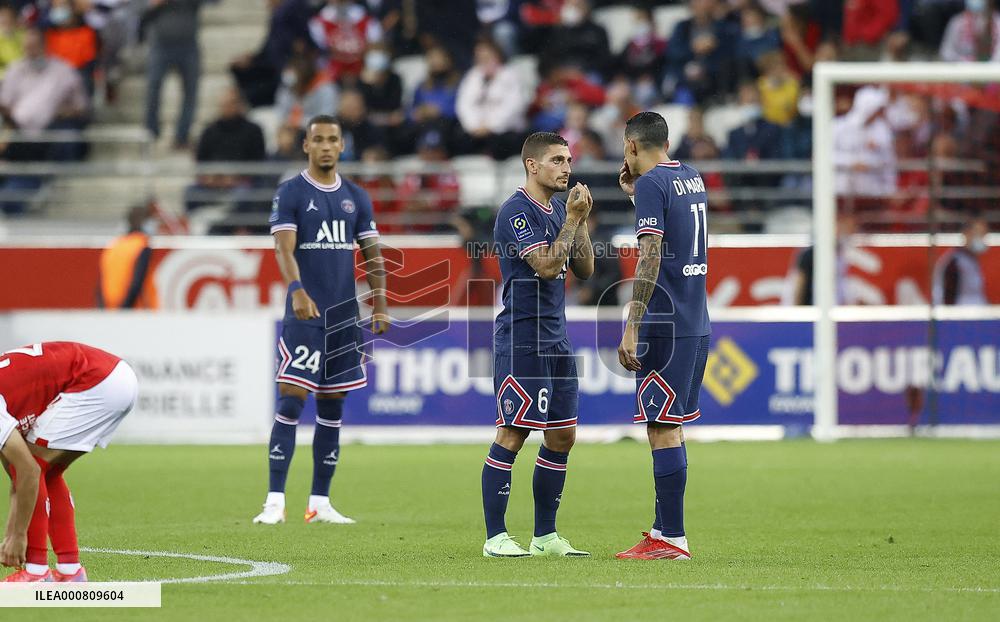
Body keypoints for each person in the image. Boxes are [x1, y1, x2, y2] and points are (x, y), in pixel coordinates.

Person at [254, 115, 389, 526]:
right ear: (306, 146)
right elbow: (284, 248)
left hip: (344, 319)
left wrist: (380, 303)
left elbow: (371, 253)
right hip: (305, 315)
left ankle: (320, 502)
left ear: (342, 146)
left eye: (333, 139)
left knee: (333, 407)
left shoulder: (356, 197)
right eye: (319, 139)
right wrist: (296, 290)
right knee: (291, 399)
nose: (327, 146)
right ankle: (275, 500)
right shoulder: (292, 192)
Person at [482, 132, 594, 558]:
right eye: (557, 160)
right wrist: (570, 221)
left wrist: (578, 220)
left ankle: (545, 537)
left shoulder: (557, 211)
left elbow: (583, 270)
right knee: (513, 432)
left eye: (568, 160)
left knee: (562, 435)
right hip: (523, 337)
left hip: (557, 338)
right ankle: (496, 537)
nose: (567, 167)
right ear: (532, 165)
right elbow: (548, 266)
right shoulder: (516, 211)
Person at [615, 111, 711, 561]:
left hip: (664, 323)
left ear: (632, 146)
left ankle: (671, 538)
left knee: (661, 429)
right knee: (671, 427)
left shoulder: (653, 185)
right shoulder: (691, 177)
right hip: (696, 320)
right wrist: (638, 194)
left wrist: (632, 324)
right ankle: (663, 531)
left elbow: (650, 253)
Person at [0, 342, 138, 582]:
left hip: (97, 382)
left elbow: (28, 471)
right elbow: (18, 477)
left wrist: (18, 535)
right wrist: (11, 532)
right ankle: (70, 571)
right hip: (111, 376)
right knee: (46, 471)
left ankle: (36, 572)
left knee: (35, 464)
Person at [143, 0, 211, 149]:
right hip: (161, 45)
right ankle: (150, 133)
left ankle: (182, 136)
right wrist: (152, 5)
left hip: (188, 45)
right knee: (153, 88)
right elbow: (139, 14)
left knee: (191, 92)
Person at [96, 205, 160, 309]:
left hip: (110, 308)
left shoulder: (113, 246)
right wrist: (125, 309)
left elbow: (101, 284)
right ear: (144, 222)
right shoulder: (142, 246)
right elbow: (137, 283)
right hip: (135, 312)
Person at [933, 215, 990, 305]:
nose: (981, 238)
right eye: (977, 233)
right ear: (966, 234)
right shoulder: (954, 262)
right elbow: (947, 298)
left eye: (984, 234)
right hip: (962, 315)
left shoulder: (972, 259)